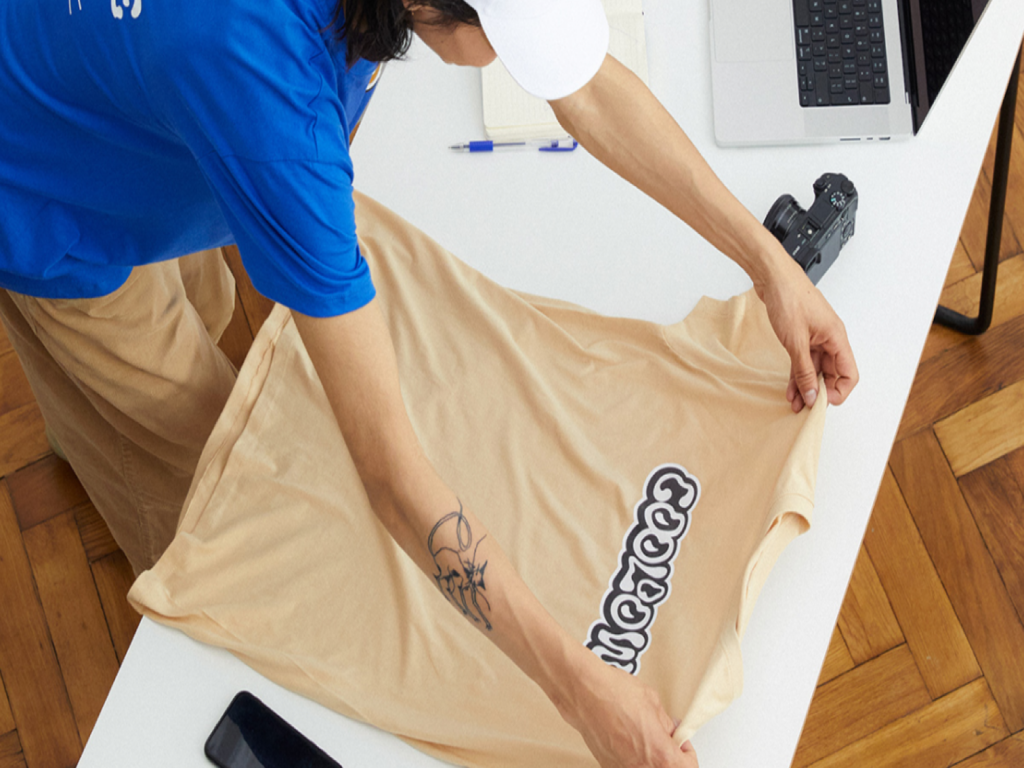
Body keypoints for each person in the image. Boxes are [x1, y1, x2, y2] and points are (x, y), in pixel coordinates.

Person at [0, 0, 857, 765]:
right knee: (199, 482)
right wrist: (585, 697)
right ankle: (96, 457)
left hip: (160, 114)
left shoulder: (284, 89)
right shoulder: (266, 90)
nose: (511, 65)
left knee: (214, 293)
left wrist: (769, 263)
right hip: (51, 196)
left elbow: (586, 90)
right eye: (503, 42)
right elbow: (392, 478)